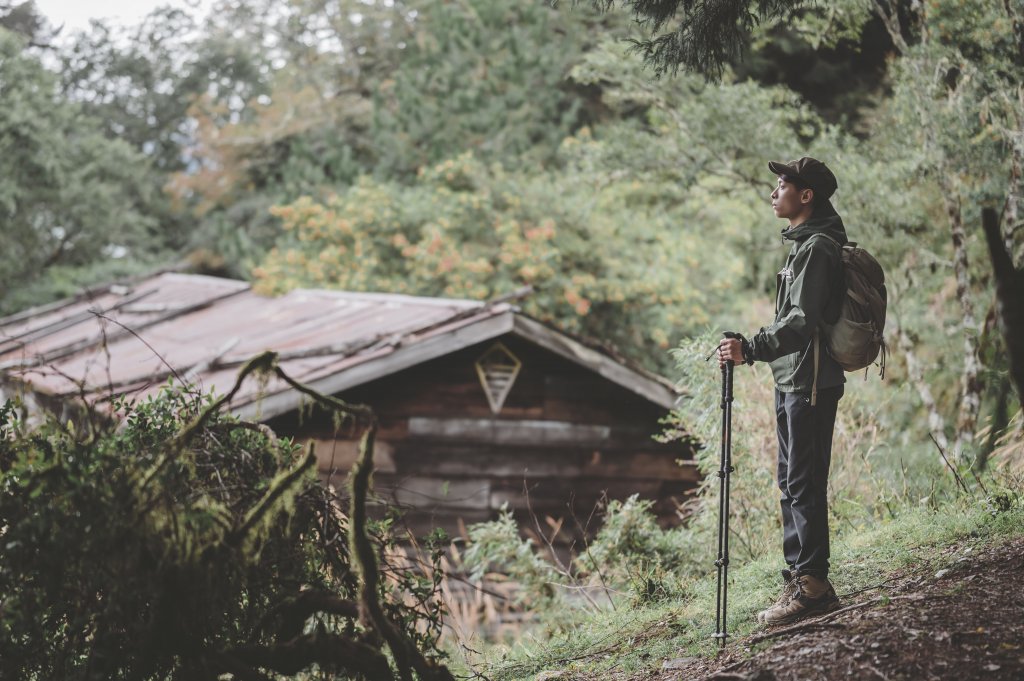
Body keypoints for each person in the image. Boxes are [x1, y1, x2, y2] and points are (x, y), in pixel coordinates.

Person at [716, 156, 847, 625]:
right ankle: (801, 579)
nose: (774, 193)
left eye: (782, 185)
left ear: (805, 194)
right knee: (791, 482)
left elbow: (799, 323)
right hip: (794, 378)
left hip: (811, 382)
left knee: (804, 483)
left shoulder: (817, 248)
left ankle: (813, 589)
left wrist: (749, 348)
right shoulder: (802, 245)